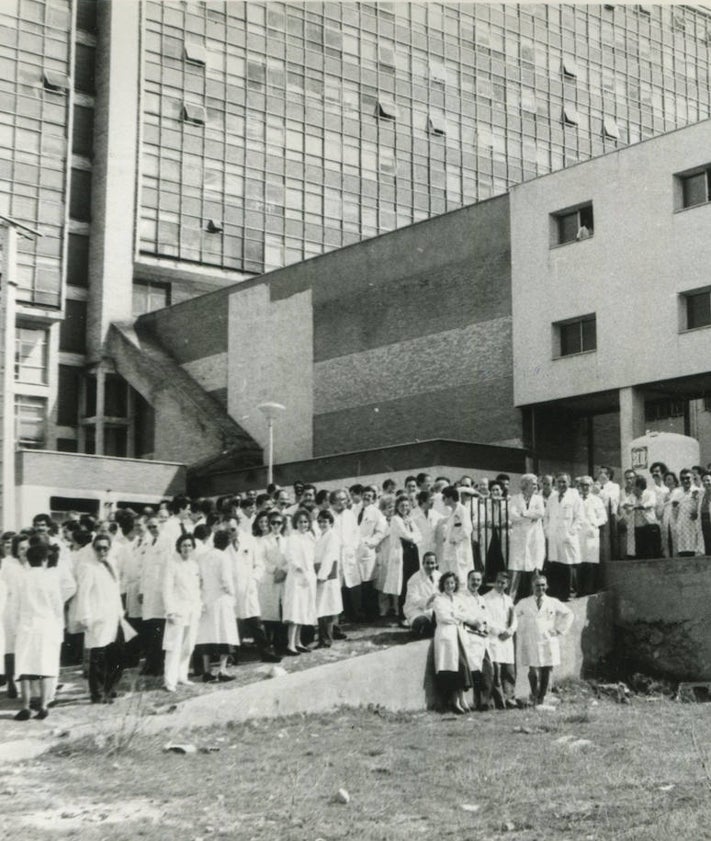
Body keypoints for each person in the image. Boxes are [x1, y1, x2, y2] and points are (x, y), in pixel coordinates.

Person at [75, 535, 135, 704]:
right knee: (98, 658)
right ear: (93, 549)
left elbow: (115, 591)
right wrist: (85, 617)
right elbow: (84, 594)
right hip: (97, 618)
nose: (102, 551)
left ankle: (111, 688)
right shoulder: (88, 567)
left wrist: (120, 613)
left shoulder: (111, 566)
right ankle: (98, 693)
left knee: (118, 656)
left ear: (109, 549)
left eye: (105, 548)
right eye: (98, 548)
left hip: (114, 617)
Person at [11, 544, 62, 721]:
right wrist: (58, 627)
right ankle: (44, 705)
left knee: (25, 666)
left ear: (28, 559)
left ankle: (25, 706)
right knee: (45, 666)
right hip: (47, 625)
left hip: (26, 625)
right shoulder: (50, 579)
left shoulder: (22, 579)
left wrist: (16, 626)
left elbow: (15, 605)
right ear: (45, 560)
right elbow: (57, 607)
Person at [515, 575, 574, 706]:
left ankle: (542, 697)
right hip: (531, 639)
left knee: (547, 668)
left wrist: (559, 630)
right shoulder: (524, 602)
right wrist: (521, 628)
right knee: (533, 669)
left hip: (548, 639)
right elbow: (513, 616)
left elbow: (569, 614)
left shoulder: (552, 601)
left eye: (543, 585)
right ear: (532, 586)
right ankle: (534, 695)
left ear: (546, 586)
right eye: (537, 585)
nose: (540, 588)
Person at [195, 530, 238, 683]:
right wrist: (233, 594)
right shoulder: (224, 557)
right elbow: (226, 581)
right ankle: (222, 669)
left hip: (206, 597)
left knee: (207, 634)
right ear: (228, 543)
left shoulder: (202, 556)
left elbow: (198, 579)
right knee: (224, 632)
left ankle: (207, 670)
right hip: (221, 598)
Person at [162, 534, 202, 692]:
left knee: (188, 645)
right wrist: (170, 610)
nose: (186, 548)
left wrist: (199, 605)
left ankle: (181, 676)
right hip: (177, 610)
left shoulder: (194, 565)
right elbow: (167, 589)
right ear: (179, 547)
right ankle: (169, 681)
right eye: (184, 545)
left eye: (189, 546)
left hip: (193, 610)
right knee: (174, 646)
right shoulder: (172, 564)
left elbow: (197, 588)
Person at [432, 571, 472, 714]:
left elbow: (466, 614)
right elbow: (443, 617)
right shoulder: (438, 599)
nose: (450, 585)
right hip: (446, 635)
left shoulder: (459, 598)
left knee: (462, 666)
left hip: (459, 634)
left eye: (452, 583)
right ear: (443, 584)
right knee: (450, 668)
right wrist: (457, 617)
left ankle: (462, 698)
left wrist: (456, 615)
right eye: (447, 583)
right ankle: (454, 701)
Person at [282, 510, 318, 655]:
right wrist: (300, 570)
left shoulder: (310, 537)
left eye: (306, 522)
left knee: (304, 609)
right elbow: (291, 557)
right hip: (297, 578)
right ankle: (290, 644)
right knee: (295, 611)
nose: (303, 524)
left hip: (309, 577)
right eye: (300, 522)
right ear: (295, 523)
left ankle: (298, 642)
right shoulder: (293, 538)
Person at [543, 473, 583, 601]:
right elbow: (546, 516)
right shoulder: (552, 498)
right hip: (554, 536)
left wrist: (571, 532)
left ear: (569, 482)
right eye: (559, 482)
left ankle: (566, 594)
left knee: (567, 565)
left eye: (564, 482)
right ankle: (555, 592)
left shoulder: (574, 497)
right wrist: (547, 531)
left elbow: (579, 518)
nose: (561, 485)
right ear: (555, 483)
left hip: (567, 536)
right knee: (554, 564)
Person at [458, 569, 494, 711]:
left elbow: (487, 617)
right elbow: (461, 615)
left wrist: (486, 626)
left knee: (487, 669)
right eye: (473, 579)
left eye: (478, 580)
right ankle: (475, 702)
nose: (475, 583)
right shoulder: (461, 597)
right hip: (469, 636)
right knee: (474, 671)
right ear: (467, 580)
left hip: (483, 638)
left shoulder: (482, 599)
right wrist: (474, 622)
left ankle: (485, 703)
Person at [383, 496, 422, 624]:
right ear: (397, 507)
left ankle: (411, 612)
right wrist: (413, 537)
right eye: (402, 506)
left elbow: (419, 535)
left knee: (412, 582)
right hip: (402, 554)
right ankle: (402, 615)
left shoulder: (409, 519)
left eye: (406, 506)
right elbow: (407, 536)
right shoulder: (395, 519)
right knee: (403, 585)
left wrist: (413, 535)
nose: (404, 508)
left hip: (412, 553)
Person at [508, 474, 545, 601]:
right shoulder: (514, 498)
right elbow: (512, 516)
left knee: (535, 567)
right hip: (519, 537)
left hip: (535, 536)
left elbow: (541, 513)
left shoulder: (538, 499)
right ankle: (510, 598)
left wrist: (523, 514)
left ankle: (534, 598)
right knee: (516, 568)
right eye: (532, 483)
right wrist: (530, 517)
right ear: (524, 485)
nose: (535, 486)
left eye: (536, 484)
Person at [483, 572, 517, 710]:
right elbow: (486, 619)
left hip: (507, 639)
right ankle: (499, 701)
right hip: (494, 637)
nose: (500, 585)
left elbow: (514, 618)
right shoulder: (486, 598)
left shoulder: (509, 599)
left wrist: (511, 630)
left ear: (507, 584)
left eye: (503, 583)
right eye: (498, 582)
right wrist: (498, 631)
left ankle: (510, 699)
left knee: (509, 672)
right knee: (496, 671)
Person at [355, 486, 387, 620]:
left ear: (374, 499)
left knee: (368, 583)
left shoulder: (376, 513)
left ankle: (371, 614)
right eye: (365, 495)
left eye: (369, 496)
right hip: (354, 550)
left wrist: (370, 543)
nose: (366, 498)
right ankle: (359, 613)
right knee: (357, 583)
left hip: (367, 551)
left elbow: (381, 532)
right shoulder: (354, 509)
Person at [314, 510, 342, 648]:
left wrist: (322, 575)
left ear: (330, 522)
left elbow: (329, 556)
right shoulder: (322, 535)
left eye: (325, 521)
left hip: (327, 575)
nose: (322, 524)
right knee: (324, 608)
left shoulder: (332, 536)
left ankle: (325, 639)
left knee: (325, 608)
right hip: (323, 573)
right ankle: (325, 638)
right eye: (319, 521)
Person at [577, 476, 608, 595]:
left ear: (591, 486)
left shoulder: (597, 500)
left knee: (590, 563)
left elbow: (603, 517)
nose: (585, 487)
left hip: (591, 534)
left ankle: (590, 590)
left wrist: (594, 524)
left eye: (587, 485)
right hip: (578, 535)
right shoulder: (576, 500)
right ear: (579, 487)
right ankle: (580, 591)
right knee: (579, 562)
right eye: (582, 485)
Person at [440, 486, 474, 586]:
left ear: (450, 498)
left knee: (461, 576)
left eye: (444, 497)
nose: (443, 500)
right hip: (450, 550)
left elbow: (467, 528)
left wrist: (456, 539)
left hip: (459, 549)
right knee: (451, 575)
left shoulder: (462, 510)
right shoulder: (451, 512)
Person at [620, 476, 660, 559]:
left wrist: (636, 507)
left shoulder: (650, 493)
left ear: (639, 486)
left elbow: (651, 503)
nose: (631, 487)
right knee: (640, 553)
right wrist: (627, 506)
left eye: (633, 485)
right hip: (638, 529)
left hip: (650, 527)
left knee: (652, 553)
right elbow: (624, 505)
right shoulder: (631, 496)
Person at [402, 551, 440, 637]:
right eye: (427, 563)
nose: (430, 566)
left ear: (436, 564)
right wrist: (428, 601)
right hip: (416, 610)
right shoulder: (414, 578)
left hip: (434, 610)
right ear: (423, 563)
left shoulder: (439, 576)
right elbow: (412, 598)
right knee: (422, 624)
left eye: (432, 563)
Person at [674, 469, 701, 557]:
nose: (685, 480)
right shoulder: (677, 493)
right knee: (683, 554)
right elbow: (675, 511)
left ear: (693, 478)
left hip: (694, 528)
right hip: (682, 530)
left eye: (688, 478)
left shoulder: (699, 491)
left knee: (695, 553)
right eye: (682, 479)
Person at [660, 471, 681, 558]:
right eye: (666, 480)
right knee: (667, 542)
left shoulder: (679, 492)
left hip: (676, 521)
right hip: (666, 522)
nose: (667, 481)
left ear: (675, 481)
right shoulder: (665, 495)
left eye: (669, 479)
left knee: (676, 542)